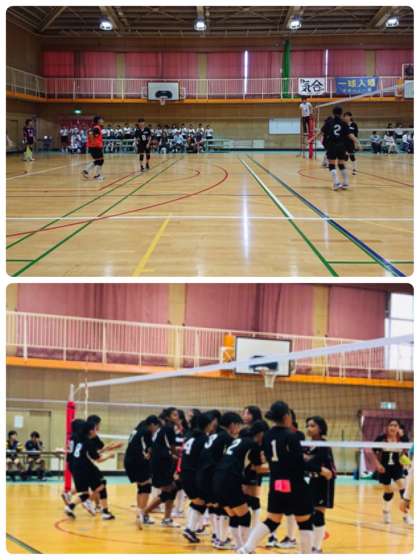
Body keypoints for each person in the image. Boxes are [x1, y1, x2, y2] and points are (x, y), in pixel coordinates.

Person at [239, 401, 333, 554]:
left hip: (276, 483)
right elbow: (299, 462)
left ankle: (246, 548)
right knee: (305, 522)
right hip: (294, 484)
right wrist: (320, 469)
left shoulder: (267, 435)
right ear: (286, 416)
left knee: (271, 520)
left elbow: (266, 456)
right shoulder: (291, 436)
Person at [213, 421, 268, 551]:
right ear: (261, 433)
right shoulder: (253, 445)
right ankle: (246, 548)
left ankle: (239, 545)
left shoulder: (238, 440)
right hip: (229, 480)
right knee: (245, 516)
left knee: (234, 515)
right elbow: (258, 468)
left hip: (217, 479)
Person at [196, 411, 242, 550]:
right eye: (238, 425)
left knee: (214, 506)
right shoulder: (227, 438)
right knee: (223, 507)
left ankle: (217, 536)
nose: (239, 429)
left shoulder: (214, 435)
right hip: (212, 476)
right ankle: (221, 539)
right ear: (232, 425)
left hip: (203, 474)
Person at [64, 420, 116, 520]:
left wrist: (106, 448)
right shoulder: (88, 442)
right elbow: (98, 459)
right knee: (102, 483)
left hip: (75, 467)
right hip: (85, 467)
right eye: (95, 429)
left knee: (84, 493)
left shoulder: (75, 438)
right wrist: (109, 456)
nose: (97, 431)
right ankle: (99, 508)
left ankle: (70, 506)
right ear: (91, 431)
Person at [142, 407, 180, 527]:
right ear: (168, 417)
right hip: (162, 464)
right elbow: (172, 446)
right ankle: (144, 512)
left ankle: (167, 518)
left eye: (177, 415)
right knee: (167, 491)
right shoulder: (168, 428)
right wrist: (177, 455)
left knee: (172, 489)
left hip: (160, 463)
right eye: (174, 415)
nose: (177, 417)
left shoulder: (162, 429)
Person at [304, 416, 336, 553]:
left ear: (321, 428)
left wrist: (307, 459)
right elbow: (306, 463)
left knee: (318, 514)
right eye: (307, 426)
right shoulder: (307, 445)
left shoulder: (324, 444)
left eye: (312, 426)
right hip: (312, 480)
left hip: (324, 482)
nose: (309, 428)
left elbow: (315, 462)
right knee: (310, 514)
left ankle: (317, 548)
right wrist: (307, 459)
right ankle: (312, 546)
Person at [181, 413, 213, 543]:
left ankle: (191, 528)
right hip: (193, 475)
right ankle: (190, 529)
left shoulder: (190, 436)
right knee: (202, 501)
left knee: (198, 502)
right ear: (208, 425)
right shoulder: (204, 439)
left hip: (185, 473)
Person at [124, 415, 161, 528]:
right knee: (146, 486)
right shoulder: (146, 431)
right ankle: (142, 515)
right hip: (138, 461)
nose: (156, 430)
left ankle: (140, 514)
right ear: (152, 425)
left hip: (128, 461)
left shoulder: (137, 430)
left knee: (141, 486)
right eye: (156, 427)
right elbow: (150, 447)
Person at [372, 419, 410, 525]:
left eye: (395, 425)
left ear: (398, 428)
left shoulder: (403, 439)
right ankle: (386, 511)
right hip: (384, 469)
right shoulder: (381, 439)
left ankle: (406, 515)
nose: (393, 427)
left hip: (397, 468)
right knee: (388, 493)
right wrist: (377, 464)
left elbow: (406, 451)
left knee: (404, 489)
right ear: (387, 427)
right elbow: (372, 452)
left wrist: (406, 462)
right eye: (391, 425)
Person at [321, 106, 361, 191]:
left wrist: (312, 139)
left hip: (332, 145)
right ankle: (346, 183)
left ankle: (336, 183)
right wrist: (358, 142)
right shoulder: (343, 123)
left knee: (332, 165)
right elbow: (350, 135)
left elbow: (321, 132)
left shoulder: (329, 122)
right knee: (341, 164)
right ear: (341, 113)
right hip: (341, 146)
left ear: (333, 113)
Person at [82, 116, 105, 180]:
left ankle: (86, 171)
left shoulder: (97, 127)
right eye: (101, 120)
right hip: (95, 147)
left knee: (99, 160)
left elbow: (91, 133)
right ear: (98, 121)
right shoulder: (96, 128)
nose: (103, 121)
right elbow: (90, 133)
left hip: (95, 147)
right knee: (100, 161)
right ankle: (96, 175)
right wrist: (93, 142)